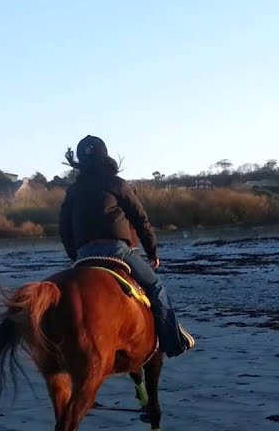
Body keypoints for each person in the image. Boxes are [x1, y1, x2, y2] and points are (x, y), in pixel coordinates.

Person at [58, 135, 196, 357]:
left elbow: (64, 229)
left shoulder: (73, 191)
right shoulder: (116, 184)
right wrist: (152, 253)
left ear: (80, 162)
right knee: (155, 286)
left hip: (83, 254)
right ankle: (172, 342)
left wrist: (76, 257)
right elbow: (141, 220)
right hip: (116, 251)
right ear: (105, 157)